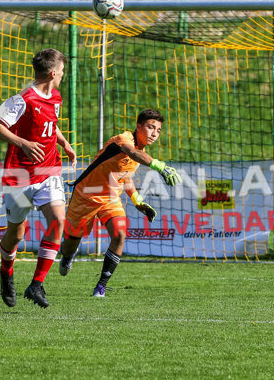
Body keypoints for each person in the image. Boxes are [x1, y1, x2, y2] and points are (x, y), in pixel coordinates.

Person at [57, 109, 181, 298]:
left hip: (111, 199)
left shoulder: (141, 152)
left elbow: (125, 178)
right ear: (138, 126)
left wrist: (137, 201)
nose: (154, 133)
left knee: (120, 234)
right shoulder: (124, 140)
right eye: (150, 127)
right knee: (71, 243)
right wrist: (159, 166)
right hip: (86, 195)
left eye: (158, 130)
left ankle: (101, 286)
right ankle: (67, 256)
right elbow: (130, 152)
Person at [0, 48, 76, 308]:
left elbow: (50, 122)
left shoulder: (56, 96)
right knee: (17, 233)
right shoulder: (23, 99)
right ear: (52, 73)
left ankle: (36, 284)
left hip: (49, 171)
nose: (62, 75)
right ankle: (6, 271)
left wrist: (63, 142)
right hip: (19, 176)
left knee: (59, 221)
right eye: (61, 71)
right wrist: (22, 142)